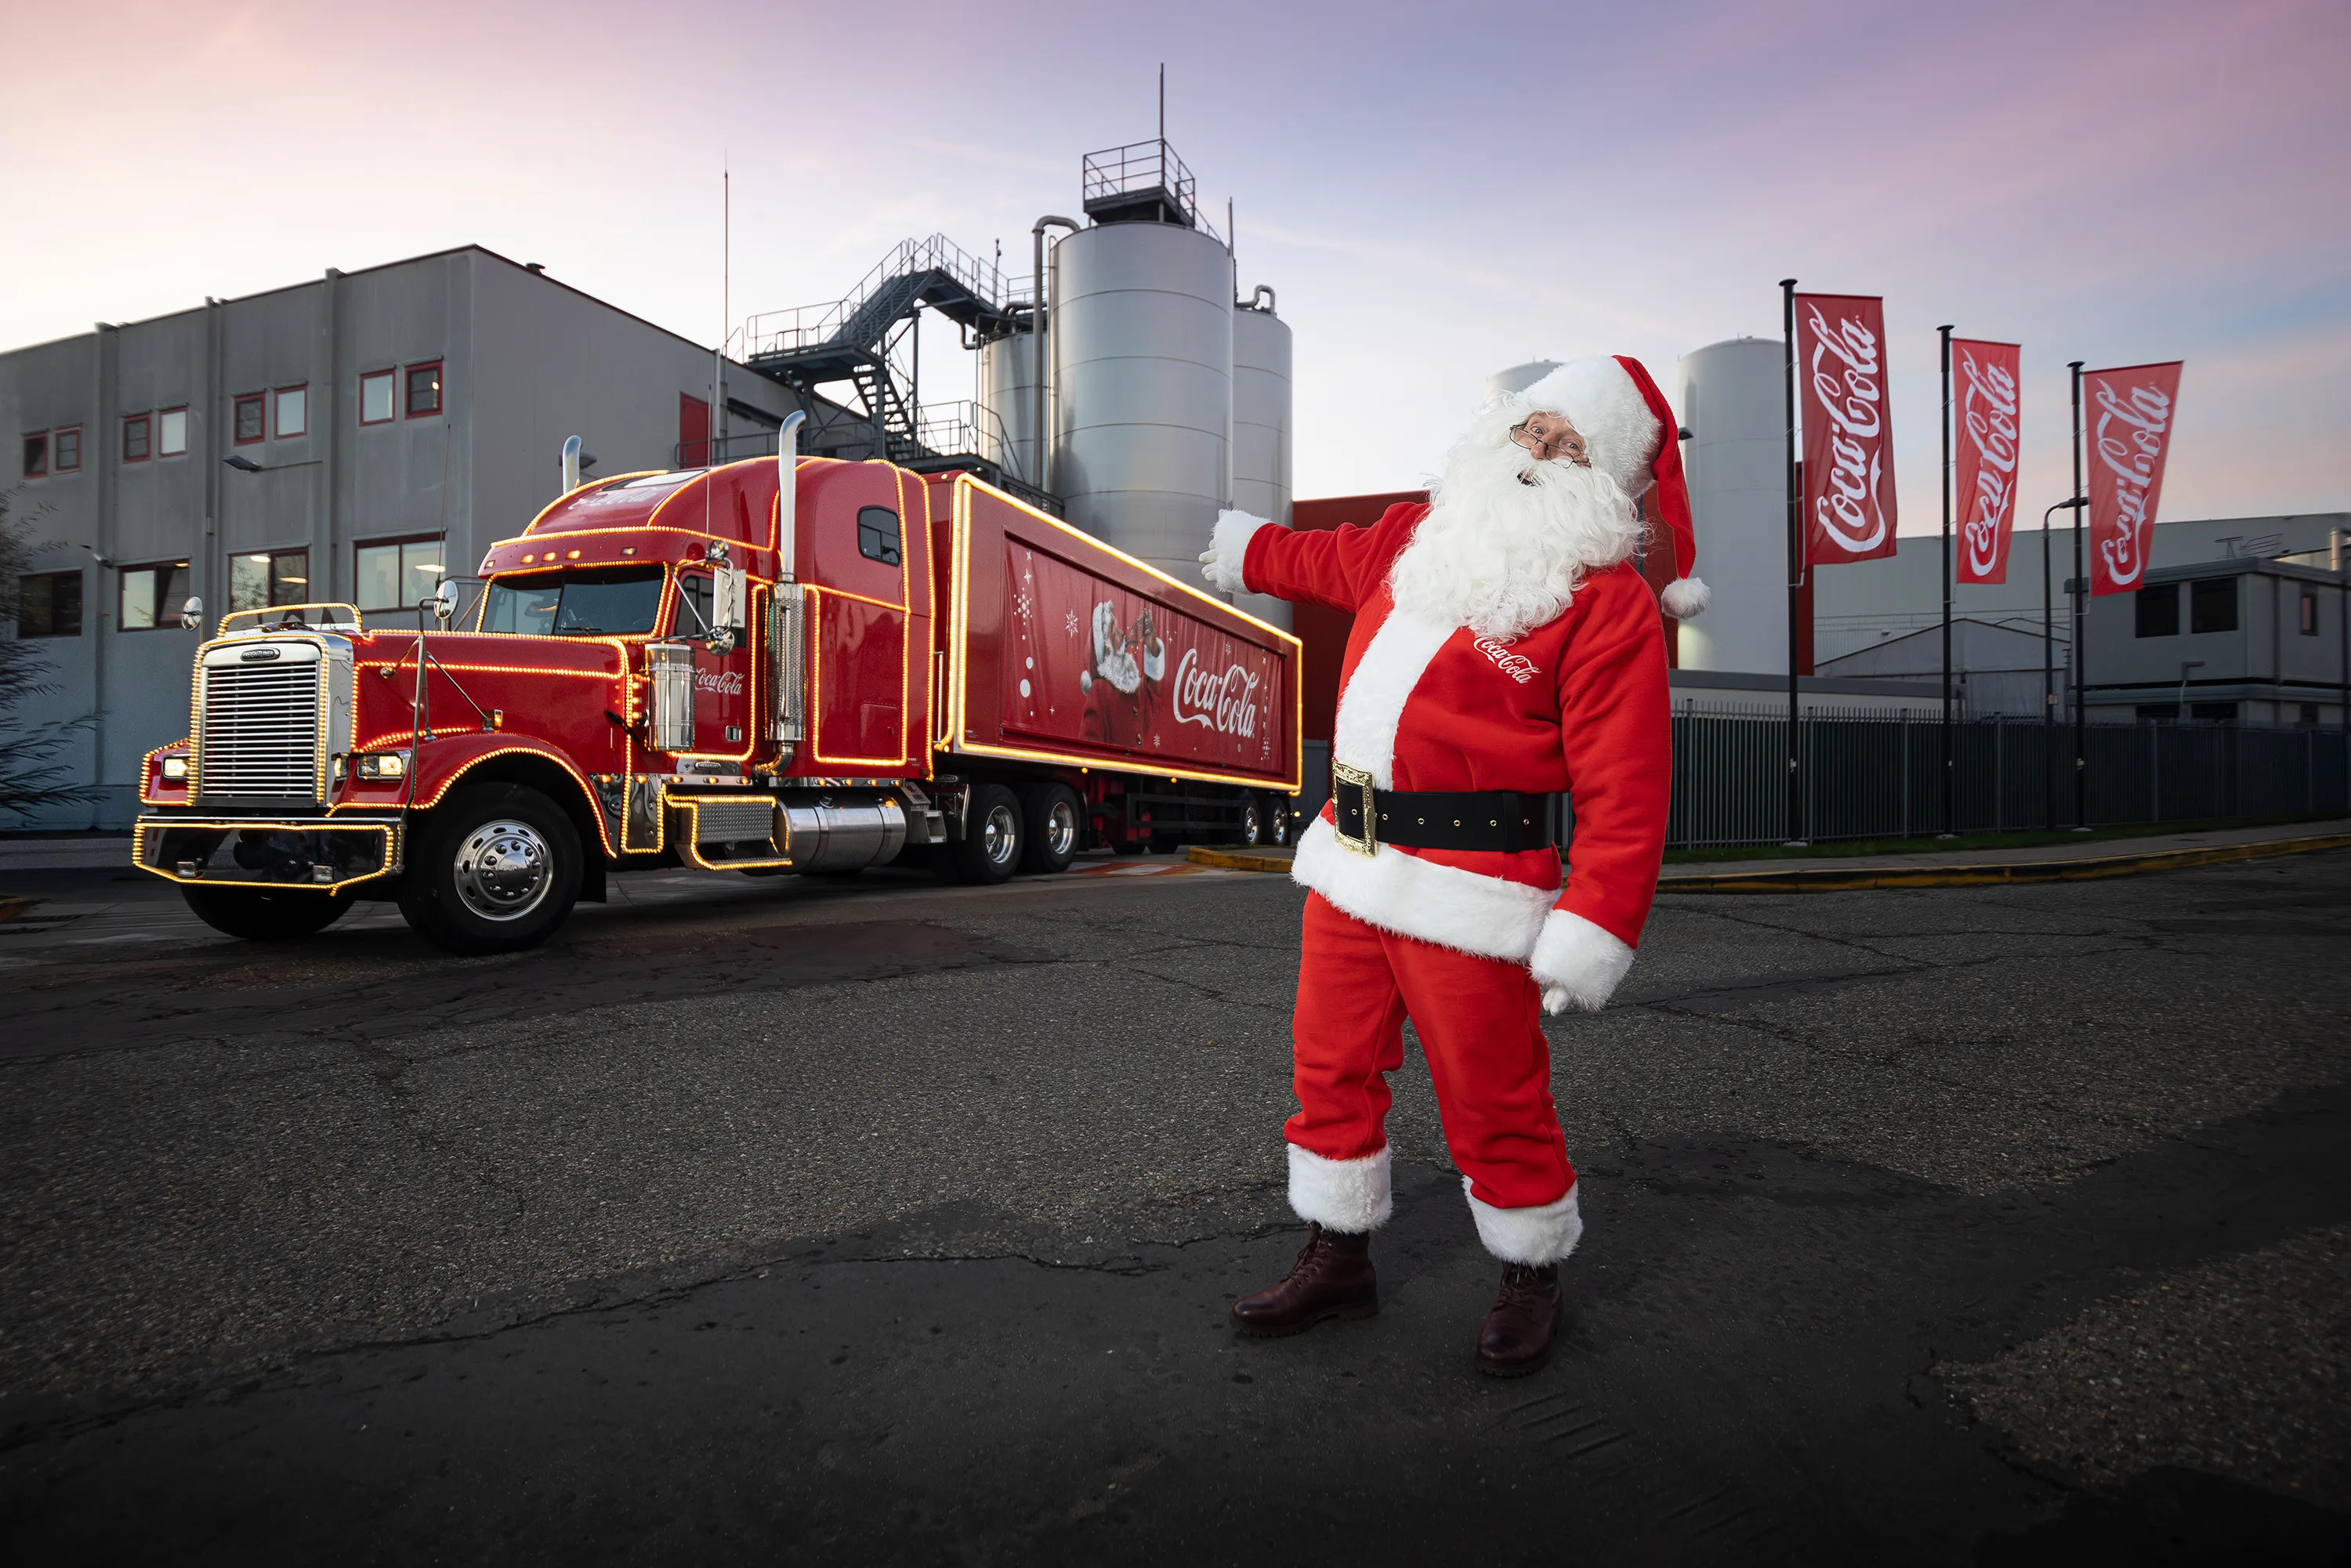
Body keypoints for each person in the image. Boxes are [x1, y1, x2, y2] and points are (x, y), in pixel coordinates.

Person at [1198, 356, 1707, 1376]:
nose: (1539, 452)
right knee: (1329, 1063)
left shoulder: (1604, 601)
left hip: (1472, 883)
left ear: (1601, 476)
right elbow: (1319, 557)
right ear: (1501, 431)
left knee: (1493, 1090)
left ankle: (1532, 1270)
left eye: (1569, 444)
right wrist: (1247, 548)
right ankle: (1338, 1256)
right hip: (1348, 860)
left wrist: (1594, 923)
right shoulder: (1411, 541)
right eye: (1533, 428)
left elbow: (1629, 783)